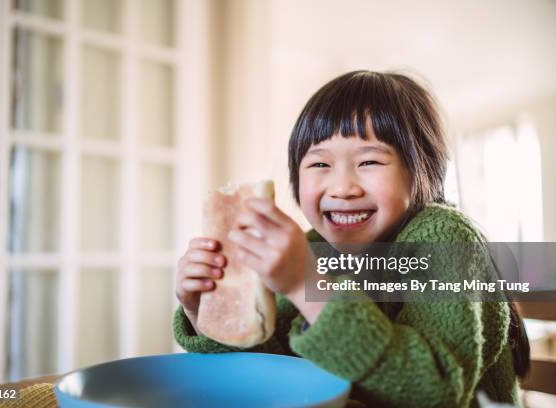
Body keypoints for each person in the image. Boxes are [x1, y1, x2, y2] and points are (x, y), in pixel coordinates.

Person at [173, 70, 529, 407]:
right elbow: (273, 373)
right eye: (320, 165)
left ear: (423, 171)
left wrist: (305, 281)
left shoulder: (446, 239)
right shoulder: (313, 246)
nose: (342, 188)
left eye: (369, 162)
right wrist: (204, 308)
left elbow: (433, 391)